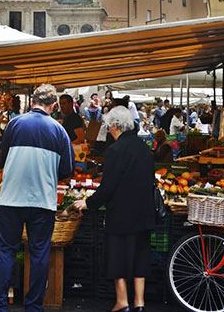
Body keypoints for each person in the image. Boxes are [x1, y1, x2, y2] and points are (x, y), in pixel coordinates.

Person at [0, 84, 74, 312]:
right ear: (54, 106)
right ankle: (34, 306)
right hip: (43, 202)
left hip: (11, 199)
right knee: (39, 254)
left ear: (31, 102)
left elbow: (2, 159)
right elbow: (67, 170)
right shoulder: (59, 131)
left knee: (5, 251)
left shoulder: (15, 124)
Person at [73, 106, 155, 312]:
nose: (108, 130)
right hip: (144, 212)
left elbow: (108, 187)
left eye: (109, 126)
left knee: (118, 256)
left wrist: (88, 203)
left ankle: (122, 302)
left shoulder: (115, 151)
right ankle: (139, 302)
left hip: (121, 213)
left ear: (116, 126)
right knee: (139, 257)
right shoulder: (144, 148)